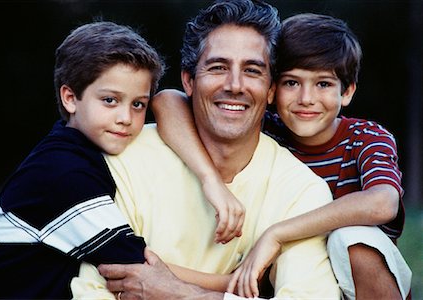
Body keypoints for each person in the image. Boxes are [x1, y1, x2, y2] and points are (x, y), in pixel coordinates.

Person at [72, 1, 340, 299]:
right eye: (218, 67)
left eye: (252, 71)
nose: (235, 85)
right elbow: (92, 290)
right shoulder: (124, 159)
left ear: (271, 90)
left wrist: (181, 294)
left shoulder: (301, 191)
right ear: (189, 80)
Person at [148, 13, 412, 299]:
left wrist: (277, 233)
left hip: (356, 281)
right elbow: (167, 101)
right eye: (291, 83)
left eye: (323, 84)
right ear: (272, 90)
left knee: (352, 238)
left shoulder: (365, 137)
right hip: (285, 272)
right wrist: (209, 178)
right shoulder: (268, 126)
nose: (306, 98)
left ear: (347, 92)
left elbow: (383, 203)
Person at [0, 21, 165, 299]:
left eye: (138, 104)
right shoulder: (63, 173)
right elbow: (142, 271)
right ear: (70, 98)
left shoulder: (73, 149)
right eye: (110, 100)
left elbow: (170, 102)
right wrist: (232, 282)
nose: (126, 118)